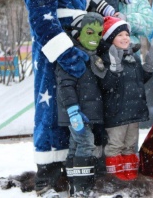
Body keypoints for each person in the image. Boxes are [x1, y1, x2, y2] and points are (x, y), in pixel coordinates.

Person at [20, 0, 112, 197]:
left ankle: (77, 175)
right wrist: (67, 54)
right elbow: (41, 19)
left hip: (79, 49)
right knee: (51, 111)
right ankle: (47, 178)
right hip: (55, 54)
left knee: (75, 113)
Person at [98, 16, 153, 180]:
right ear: (111, 38)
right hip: (116, 112)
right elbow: (106, 85)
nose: (125, 38)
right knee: (116, 145)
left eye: (126, 34)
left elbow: (139, 80)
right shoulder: (105, 57)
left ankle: (130, 178)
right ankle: (115, 179)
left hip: (133, 111)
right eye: (120, 35)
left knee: (130, 146)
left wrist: (149, 67)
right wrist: (114, 68)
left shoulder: (134, 56)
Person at [55, 12, 105, 197]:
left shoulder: (93, 56)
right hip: (76, 113)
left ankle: (73, 185)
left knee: (76, 145)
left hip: (88, 112)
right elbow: (65, 85)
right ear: (77, 33)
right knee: (86, 143)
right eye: (90, 32)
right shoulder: (71, 56)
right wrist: (73, 110)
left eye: (99, 34)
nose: (95, 38)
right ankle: (82, 188)